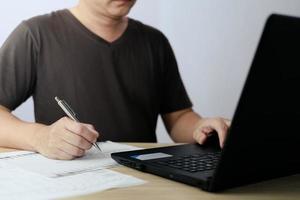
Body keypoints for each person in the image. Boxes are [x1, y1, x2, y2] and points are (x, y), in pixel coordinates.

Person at [0, 0, 230, 160]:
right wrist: (41, 138)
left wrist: (201, 127)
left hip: (143, 179)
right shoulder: (35, 34)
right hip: (69, 178)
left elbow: (179, 117)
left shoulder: (154, 41)